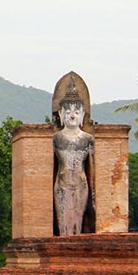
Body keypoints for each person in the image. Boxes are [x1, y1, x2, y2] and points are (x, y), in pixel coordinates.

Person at [53, 89, 93, 235]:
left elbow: (93, 167)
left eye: (76, 111)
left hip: (80, 184)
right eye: (68, 111)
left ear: (83, 115)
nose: (72, 115)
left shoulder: (88, 139)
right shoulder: (56, 138)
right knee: (63, 225)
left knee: (78, 222)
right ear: (60, 114)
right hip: (62, 183)